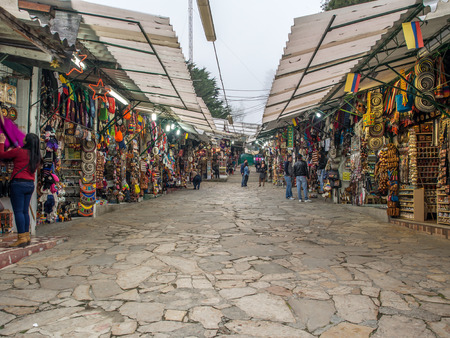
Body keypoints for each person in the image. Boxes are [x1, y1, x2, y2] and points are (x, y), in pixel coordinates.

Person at [0, 133, 40, 247]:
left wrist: (2, 141)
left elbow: (2, 154)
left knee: (18, 211)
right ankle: (26, 236)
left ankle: (21, 237)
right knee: (24, 211)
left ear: (27, 141)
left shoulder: (19, 152)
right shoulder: (36, 156)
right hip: (30, 184)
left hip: (18, 183)